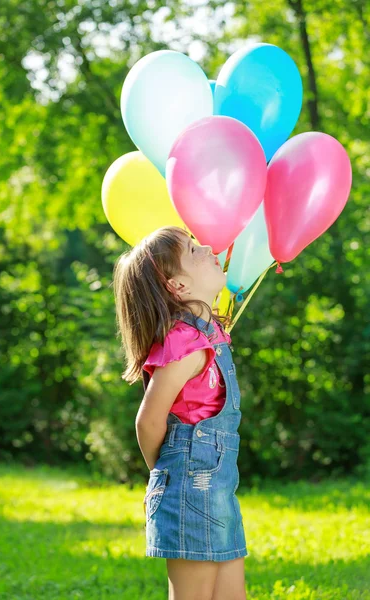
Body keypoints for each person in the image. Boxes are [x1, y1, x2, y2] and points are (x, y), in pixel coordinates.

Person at [112, 225, 248, 600]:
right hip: (189, 487)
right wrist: (163, 477)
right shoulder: (184, 344)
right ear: (178, 287)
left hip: (218, 489)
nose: (207, 246)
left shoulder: (208, 334)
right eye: (192, 250)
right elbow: (149, 420)